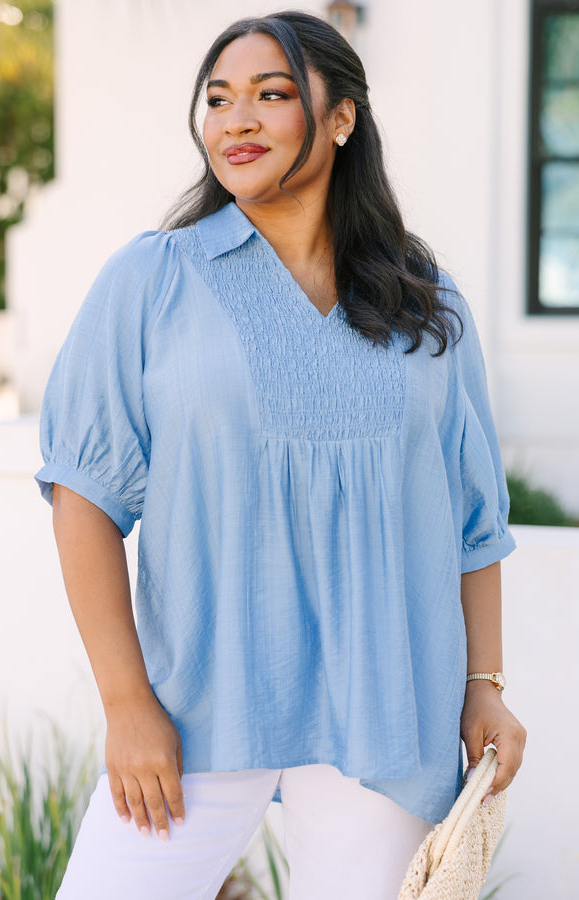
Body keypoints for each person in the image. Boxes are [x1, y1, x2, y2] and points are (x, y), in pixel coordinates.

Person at [36, 10, 526, 900]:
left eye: (271, 95)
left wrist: (483, 685)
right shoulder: (151, 281)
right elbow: (84, 497)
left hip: (388, 721)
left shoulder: (426, 301)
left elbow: (471, 521)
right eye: (218, 99)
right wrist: (126, 704)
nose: (237, 120)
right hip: (196, 714)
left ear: (341, 118)